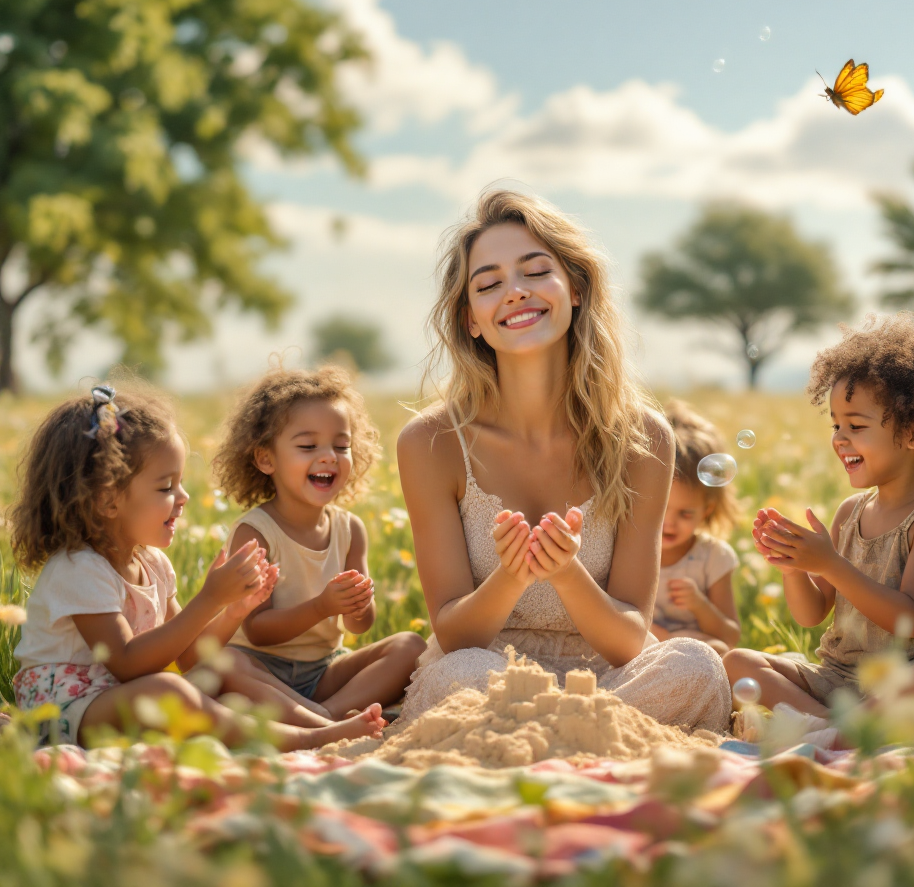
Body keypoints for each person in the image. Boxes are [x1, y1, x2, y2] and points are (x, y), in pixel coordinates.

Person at [397, 187, 732, 731]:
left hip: (607, 679)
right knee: (453, 679)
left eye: (535, 271)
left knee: (697, 666)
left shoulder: (644, 439)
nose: (514, 292)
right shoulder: (430, 442)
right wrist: (511, 576)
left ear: (574, 289)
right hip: (487, 673)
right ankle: (588, 739)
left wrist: (566, 573)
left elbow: (629, 638)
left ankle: (541, 738)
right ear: (471, 321)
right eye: (489, 284)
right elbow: (455, 638)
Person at [12, 383, 385, 749]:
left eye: (180, 483)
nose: (183, 497)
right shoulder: (79, 569)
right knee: (167, 689)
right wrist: (208, 598)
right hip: (64, 712)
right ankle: (313, 736)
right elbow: (126, 664)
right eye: (166, 487)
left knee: (222, 665)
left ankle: (320, 720)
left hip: (125, 698)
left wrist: (233, 611)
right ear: (109, 501)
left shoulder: (154, 564)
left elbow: (189, 656)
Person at [724, 314, 914, 716]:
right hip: (845, 679)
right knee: (737, 663)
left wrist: (829, 563)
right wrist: (793, 566)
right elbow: (812, 614)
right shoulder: (851, 512)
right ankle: (839, 728)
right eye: (835, 424)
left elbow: (910, 619)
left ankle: (828, 728)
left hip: (912, 677)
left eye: (855, 424)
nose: (839, 438)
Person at [213, 365, 426, 721]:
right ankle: (325, 719)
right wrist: (321, 606)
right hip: (262, 671)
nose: (328, 455)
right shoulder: (256, 532)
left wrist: (357, 605)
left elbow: (359, 627)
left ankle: (322, 715)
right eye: (308, 445)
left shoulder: (350, 530)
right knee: (227, 663)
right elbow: (257, 631)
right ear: (266, 459)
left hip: (325, 671)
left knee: (412, 647)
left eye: (341, 446)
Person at [652, 401, 741, 657]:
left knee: (720, 650)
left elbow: (730, 636)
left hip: (697, 655)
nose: (669, 522)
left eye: (685, 513)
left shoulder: (713, 557)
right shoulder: (631, 548)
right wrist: (666, 639)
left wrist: (700, 606)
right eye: (661, 508)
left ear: (707, 510)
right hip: (642, 647)